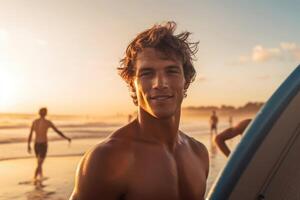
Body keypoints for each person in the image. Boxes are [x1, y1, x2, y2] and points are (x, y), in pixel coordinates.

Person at [70, 21, 209, 200]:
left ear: (186, 80)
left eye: (171, 71)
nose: (160, 83)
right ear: (132, 84)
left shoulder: (198, 153)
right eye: (147, 73)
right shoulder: (108, 159)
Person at [27, 107, 72, 181]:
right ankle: (34, 178)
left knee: (39, 162)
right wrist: (66, 138)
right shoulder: (47, 122)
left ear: (39, 113)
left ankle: (41, 177)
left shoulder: (35, 122)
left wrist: (28, 145)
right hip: (43, 144)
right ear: (45, 113)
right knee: (40, 163)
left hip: (36, 144)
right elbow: (57, 131)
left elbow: (30, 134)